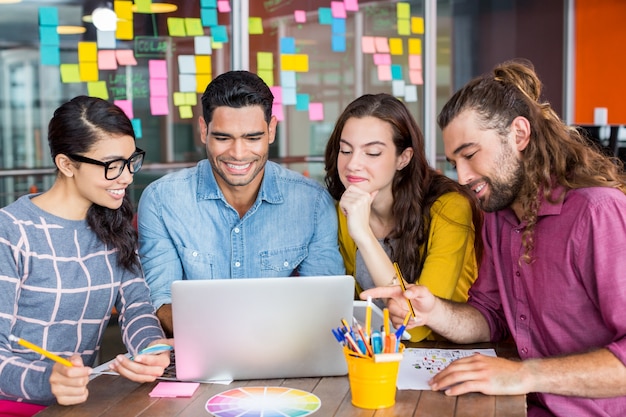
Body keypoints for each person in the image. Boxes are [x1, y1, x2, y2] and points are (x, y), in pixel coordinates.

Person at [361, 59, 626, 416]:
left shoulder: (597, 212)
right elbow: (490, 317)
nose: (464, 175)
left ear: (519, 134)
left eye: (470, 154)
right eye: (455, 162)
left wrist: (523, 375)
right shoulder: (499, 217)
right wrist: (434, 311)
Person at [138, 70, 345, 337]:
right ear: (204, 130)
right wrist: (229, 341)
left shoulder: (313, 203)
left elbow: (325, 301)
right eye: (223, 138)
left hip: (285, 351)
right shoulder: (162, 200)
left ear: (271, 130)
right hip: (202, 353)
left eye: (252, 138)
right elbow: (161, 299)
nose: (237, 154)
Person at [0, 96, 171, 414]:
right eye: (112, 166)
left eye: (131, 161)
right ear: (66, 164)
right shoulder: (10, 231)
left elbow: (137, 308)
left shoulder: (114, 226)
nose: (127, 177)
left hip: (79, 404)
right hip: (13, 406)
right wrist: (48, 378)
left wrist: (152, 348)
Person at [324, 93, 483, 341]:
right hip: (380, 351)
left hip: (441, 354)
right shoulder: (343, 210)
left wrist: (364, 236)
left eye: (372, 153)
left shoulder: (450, 209)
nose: (352, 164)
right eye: (345, 150)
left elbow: (415, 325)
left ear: (403, 158)